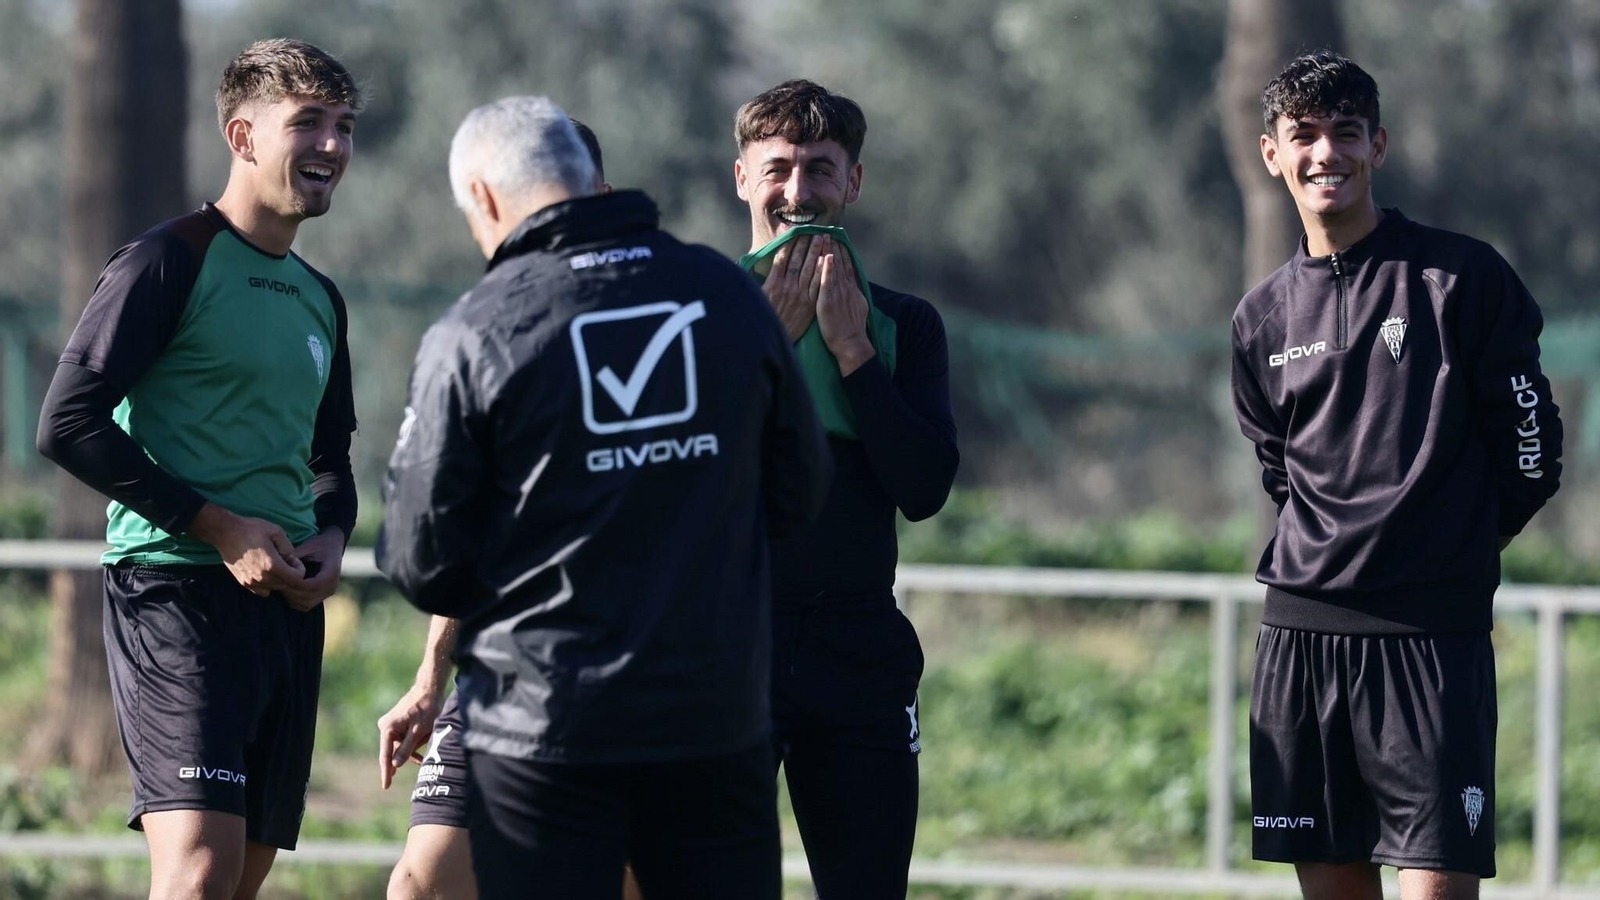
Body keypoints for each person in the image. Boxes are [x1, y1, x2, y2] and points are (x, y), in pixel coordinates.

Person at [377, 95, 829, 900]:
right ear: (589, 180)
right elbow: (799, 492)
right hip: (713, 721)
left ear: (483, 199)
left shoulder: (475, 329)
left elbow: (420, 559)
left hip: (544, 733)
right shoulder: (723, 295)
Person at [35, 38, 361, 900]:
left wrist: (331, 538)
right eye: (308, 124)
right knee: (198, 874)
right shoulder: (168, 259)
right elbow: (67, 423)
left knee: (239, 880)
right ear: (242, 135)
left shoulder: (321, 297)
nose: (331, 145)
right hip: (175, 592)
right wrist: (216, 526)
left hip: (284, 610)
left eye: (343, 125)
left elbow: (331, 461)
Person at [1232, 51, 1562, 900]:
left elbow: (1532, 450)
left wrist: (1446, 544)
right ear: (1272, 153)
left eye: (1345, 134)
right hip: (1303, 643)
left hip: (1430, 644)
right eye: (1302, 136)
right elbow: (1281, 470)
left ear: (1378, 145)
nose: (1324, 155)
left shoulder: (1463, 278)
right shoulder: (1260, 317)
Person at [377, 116, 622, 900]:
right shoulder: (481, 332)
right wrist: (429, 678)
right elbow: (459, 538)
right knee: (419, 885)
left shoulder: (654, 325)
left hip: (631, 679)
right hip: (499, 676)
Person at [731, 79, 959, 898]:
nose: (799, 192)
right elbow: (681, 484)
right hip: (727, 648)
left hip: (858, 653)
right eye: (779, 168)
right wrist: (770, 342)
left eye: (821, 169)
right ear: (741, 177)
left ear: (853, 183)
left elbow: (925, 488)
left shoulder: (905, 324)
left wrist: (855, 354)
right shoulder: (696, 312)